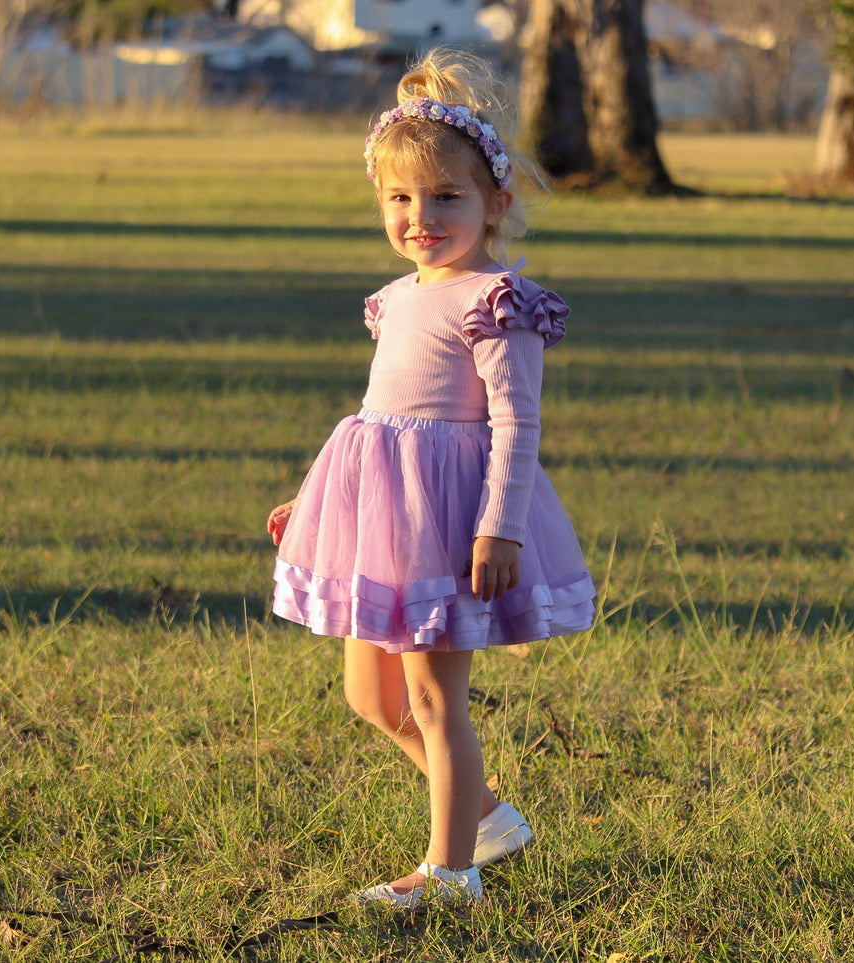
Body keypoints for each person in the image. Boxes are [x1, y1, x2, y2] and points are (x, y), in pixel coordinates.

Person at [265, 48, 596, 908]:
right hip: (381, 514)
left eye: (446, 197)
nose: (421, 217)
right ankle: (486, 816)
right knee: (369, 695)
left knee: (433, 696)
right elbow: (377, 414)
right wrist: (313, 501)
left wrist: (500, 528)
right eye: (401, 199)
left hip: (449, 519)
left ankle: (450, 873)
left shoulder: (495, 300)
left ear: (495, 205)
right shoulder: (398, 296)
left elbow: (515, 424)